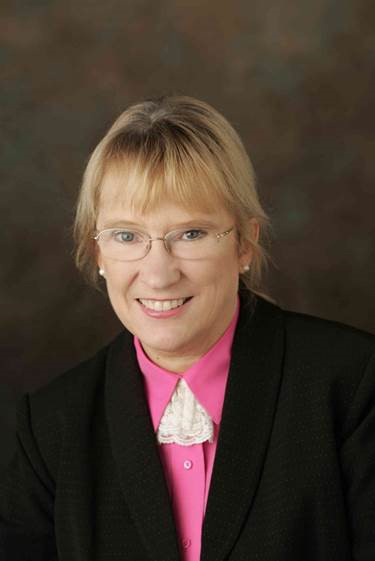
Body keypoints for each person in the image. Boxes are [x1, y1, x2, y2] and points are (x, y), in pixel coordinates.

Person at [0, 95, 374, 561]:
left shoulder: (354, 383)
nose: (158, 274)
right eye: (126, 235)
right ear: (98, 253)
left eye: (191, 233)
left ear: (244, 244)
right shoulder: (52, 425)